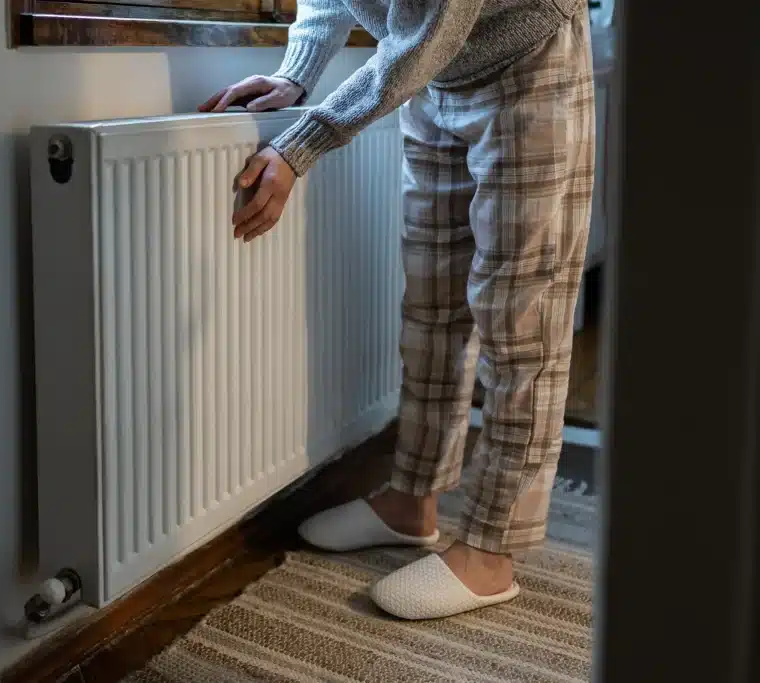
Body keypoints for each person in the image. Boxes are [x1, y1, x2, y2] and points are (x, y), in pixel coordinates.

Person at [199, 0, 594, 620]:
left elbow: (437, 24)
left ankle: (491, 551)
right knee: (430, 304)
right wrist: (297, 72)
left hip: (529, 55)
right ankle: (413, 501)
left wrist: (306, 139)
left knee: (520, 319)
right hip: (431, 75)